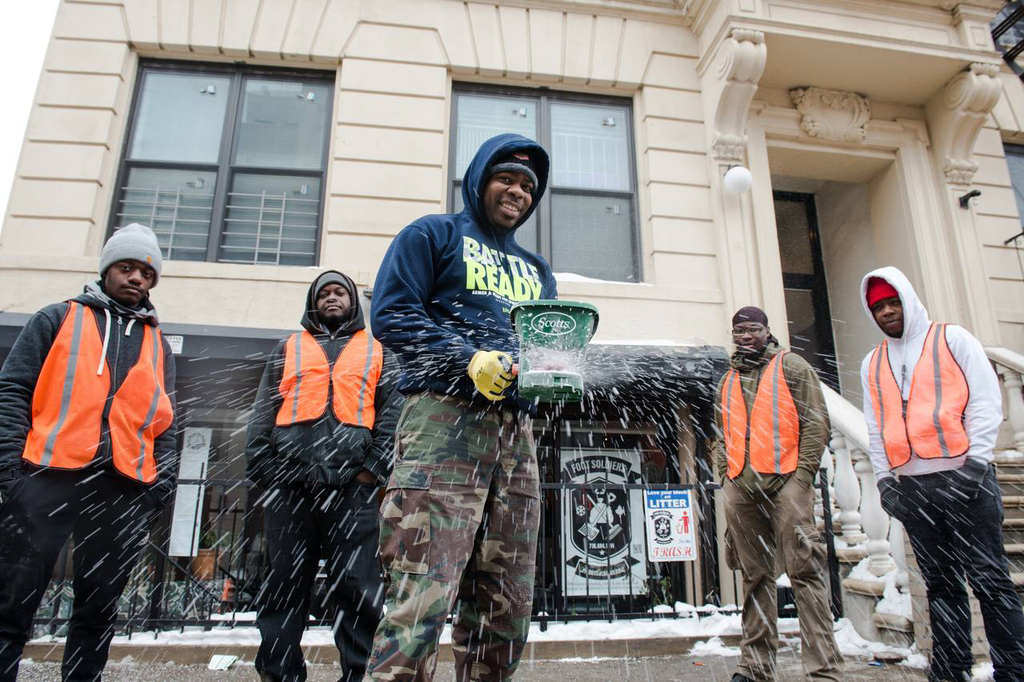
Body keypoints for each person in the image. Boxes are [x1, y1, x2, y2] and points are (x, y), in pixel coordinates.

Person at [366, 133, 557, 681]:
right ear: (479, 179)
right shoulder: (433, 235)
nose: (517, 191)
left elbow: (544, 351)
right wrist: (467, 358)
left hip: (515, 439)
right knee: (420, 599)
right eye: (506, 179)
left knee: (505, 605)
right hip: (441, 423)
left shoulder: (537, 271)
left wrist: (553, 376)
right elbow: (392, 315)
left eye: (527, 186)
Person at [0, 223, 177, 681]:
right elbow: (14, 390)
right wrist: (10, 474)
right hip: (46, 478)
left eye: (146, 272)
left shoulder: (158, 342)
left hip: (121, 491)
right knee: (11, 603)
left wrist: (157, 490)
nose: (137, 278)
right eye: (127, 267)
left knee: (97, 611)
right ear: (105, 270)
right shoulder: (55, 318)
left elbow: (165, 423)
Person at [861, 267, 1024, 682]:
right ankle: (951, 669)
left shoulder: (952, 339)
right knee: (940, 584)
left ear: (908, 301)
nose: (888, 312)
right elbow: (876, 426)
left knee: (990, 579)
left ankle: (1014, 669)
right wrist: (884, 481)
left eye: (893, 302)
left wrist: (975, 465)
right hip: (914, 487)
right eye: (879, 307)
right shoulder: (873, 361)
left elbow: (987, 402)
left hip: (965, 478)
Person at [245, 270, 402, 682]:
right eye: (325, 293)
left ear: (354, 302)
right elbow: (263, 410)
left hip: (352, 491)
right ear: (313, 302)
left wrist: (372, 471)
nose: (333, 299)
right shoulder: (288, 348)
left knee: (358, 588)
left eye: (340, 293)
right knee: (284, 585)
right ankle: (280, 674)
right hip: (290, 488)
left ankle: (360, 674)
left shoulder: (378, 352)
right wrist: (266, 468)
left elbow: (392, 418)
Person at [715, 305, 844, 682]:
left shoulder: (792, 367)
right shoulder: (727, 379)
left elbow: (816, 423)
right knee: (754, 577)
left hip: (788, 482)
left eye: (753, 329)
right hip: (742, 485)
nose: (745, 336)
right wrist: (726, 474)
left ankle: (824, 670)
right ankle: (755, 668)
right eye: (739, 330)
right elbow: (722, 435)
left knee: (805, 573)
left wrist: (802, 477)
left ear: (767, 332)